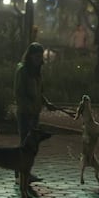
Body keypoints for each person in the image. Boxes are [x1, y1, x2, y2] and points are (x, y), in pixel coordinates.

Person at [14, 42, 57, 182]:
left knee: (30, 144)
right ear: (30, 56)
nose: (39, 59)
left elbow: (40, 92)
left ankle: (22, 171)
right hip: (25, 113)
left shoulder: (37, 71)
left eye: (40, 56)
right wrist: (29, 108)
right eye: (36, 56)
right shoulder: (23, 70)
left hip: (34, 112)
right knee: (26, 143)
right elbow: (19, 93)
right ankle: (23, 173)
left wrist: (46, 103)